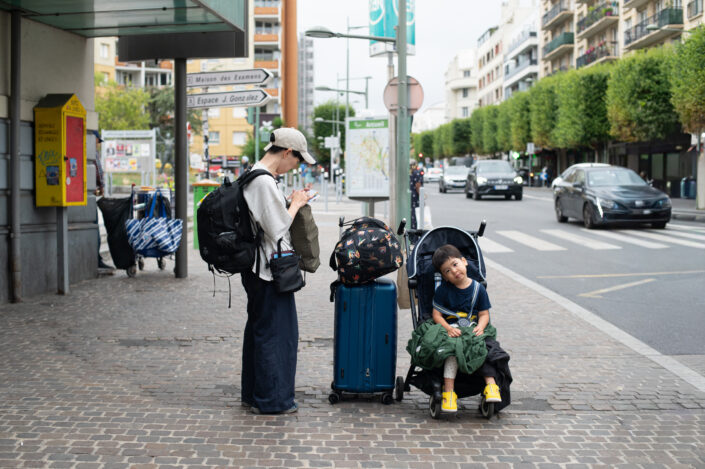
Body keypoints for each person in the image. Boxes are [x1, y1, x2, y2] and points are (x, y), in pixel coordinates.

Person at [241, 127, 316, 415]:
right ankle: (272, 401)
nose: (296, 165)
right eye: (297, 159)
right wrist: (295, 204)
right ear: (286, 152)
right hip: (268, 271)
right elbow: (277, 227)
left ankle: (254, 395)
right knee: (277, 336)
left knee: (260, 332)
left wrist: (289, 202)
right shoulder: (262, 181)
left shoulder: (255, 175)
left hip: (258, 269)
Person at [431, 244, 502, 413]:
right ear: (445, 277)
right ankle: (449, 392)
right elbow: (436, 315)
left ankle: (491, 386)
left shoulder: (478, 289)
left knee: (483, 348)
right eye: (447, 271)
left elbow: (484, 314)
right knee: (453, 351)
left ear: (464, 261)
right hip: (453, 328)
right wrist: (447, 328)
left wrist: (481, 326)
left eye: (455, 264)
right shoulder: (443, 291)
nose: (454, 271)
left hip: (472, 327)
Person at [409, 160, 423, 229]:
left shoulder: (409, 173)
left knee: (410, 212)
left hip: (409, 195)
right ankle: (414, 228)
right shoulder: (416, 173)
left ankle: (410, 226)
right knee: (415, 213)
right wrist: (422, 196)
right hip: (415, 196)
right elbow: (418, 185)